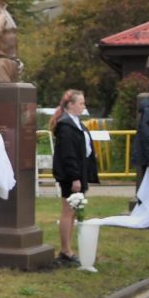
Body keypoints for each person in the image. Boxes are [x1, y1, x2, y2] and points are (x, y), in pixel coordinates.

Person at [50, 89, 98, 266]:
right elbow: (68, 154)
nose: (83, 106)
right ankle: (65, 250)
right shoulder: (66, 126)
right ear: (70, 105)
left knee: (73, 213)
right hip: (71, 175)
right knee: (68, 211)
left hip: (79, 172)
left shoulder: (76, 123)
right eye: (81, 103)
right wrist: (75, 177)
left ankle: (68, 249)